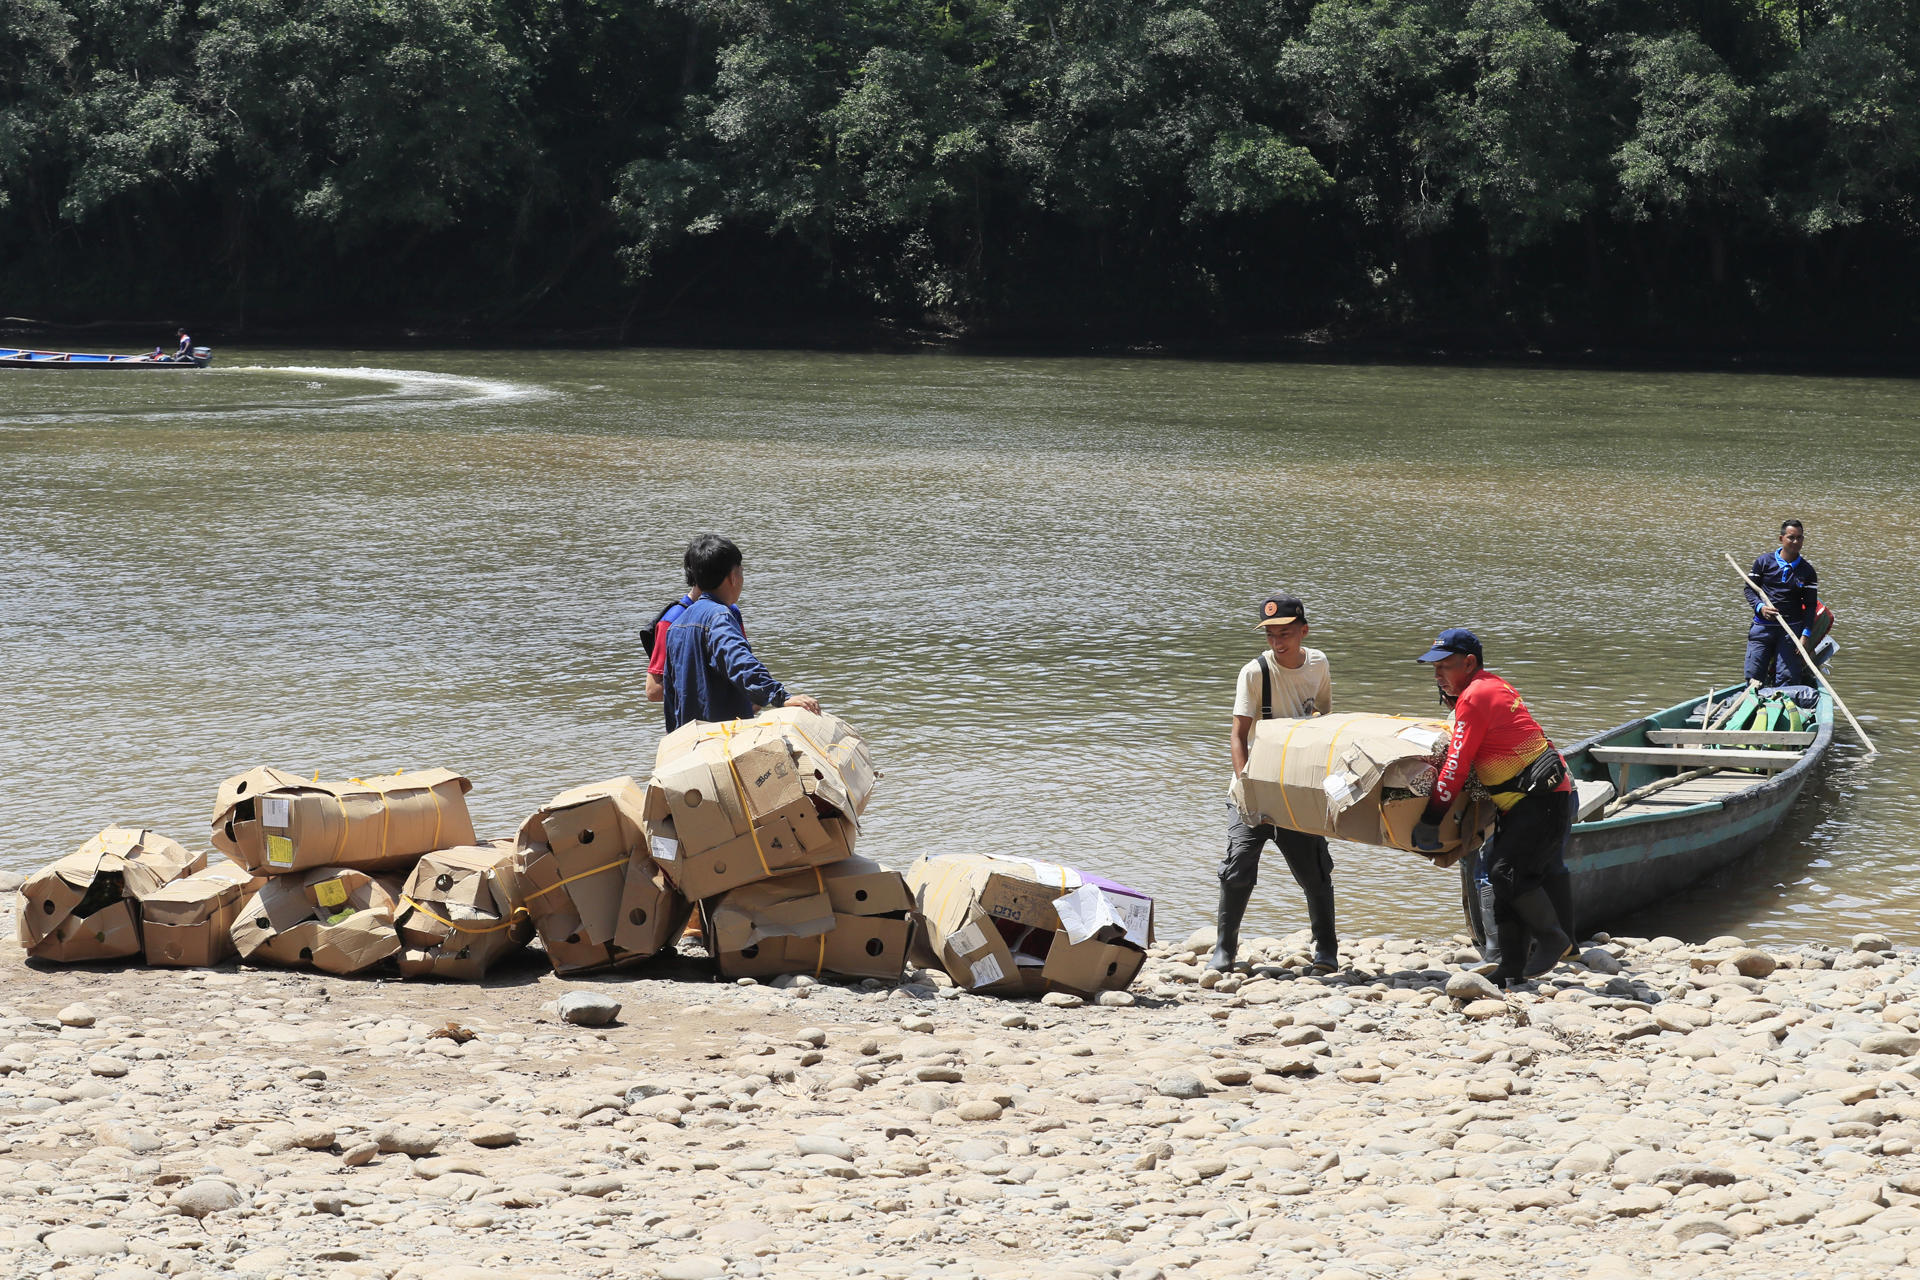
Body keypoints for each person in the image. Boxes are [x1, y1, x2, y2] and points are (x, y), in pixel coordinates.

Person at [1412, 629, 1574, 988]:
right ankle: (1511, 966)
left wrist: (1431, 817)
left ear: (1469, 663)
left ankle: (1553, 938)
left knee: (1506, 874)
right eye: (1434, 668)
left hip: (1541, 801)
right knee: (1503, 883)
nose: (1437, 675)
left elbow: (1456, 766)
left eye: (1444, 666)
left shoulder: (1475, 695)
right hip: (1525, 801)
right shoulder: (1491, 685)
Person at [1214, 593, 1337, 973]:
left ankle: (1326, 949)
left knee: (1315, 871)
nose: (1277, 641)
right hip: (1254, 788)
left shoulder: (1318, 664)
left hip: (1298, 790)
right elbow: (1238, 736)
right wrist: (1246, 788)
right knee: (1237, 868)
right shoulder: (1255, 672)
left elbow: (1325, 721)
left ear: (1304, 631)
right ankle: (1223, 950)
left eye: (1284, 633)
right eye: (1270, 634)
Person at [662, 534, 820, 732]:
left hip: (690, 739)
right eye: (741, 571)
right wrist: (780, 696)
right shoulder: (719, 617)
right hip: (723, 738)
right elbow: (739, 661)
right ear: (732, 577)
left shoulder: (676, 626)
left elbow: (671, 695)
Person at [1743, 520, 1819, 689]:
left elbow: (1810, 605)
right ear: (1781, 538)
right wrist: (1760, 608)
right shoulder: (1763, 562)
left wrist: (1805, 635)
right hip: (1762, 628)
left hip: (1790, 631)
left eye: (1799, 538)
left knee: (1787, 680)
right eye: (1791, 537)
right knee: (1753, 678)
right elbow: (1749, 590)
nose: (1796, 542)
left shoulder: (1807, 571)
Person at [643, 540, 710, 710]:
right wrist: (708, 686)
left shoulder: (731, 613)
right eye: (735, 573)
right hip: (691, 722)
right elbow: (653, 690)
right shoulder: (671, 621)